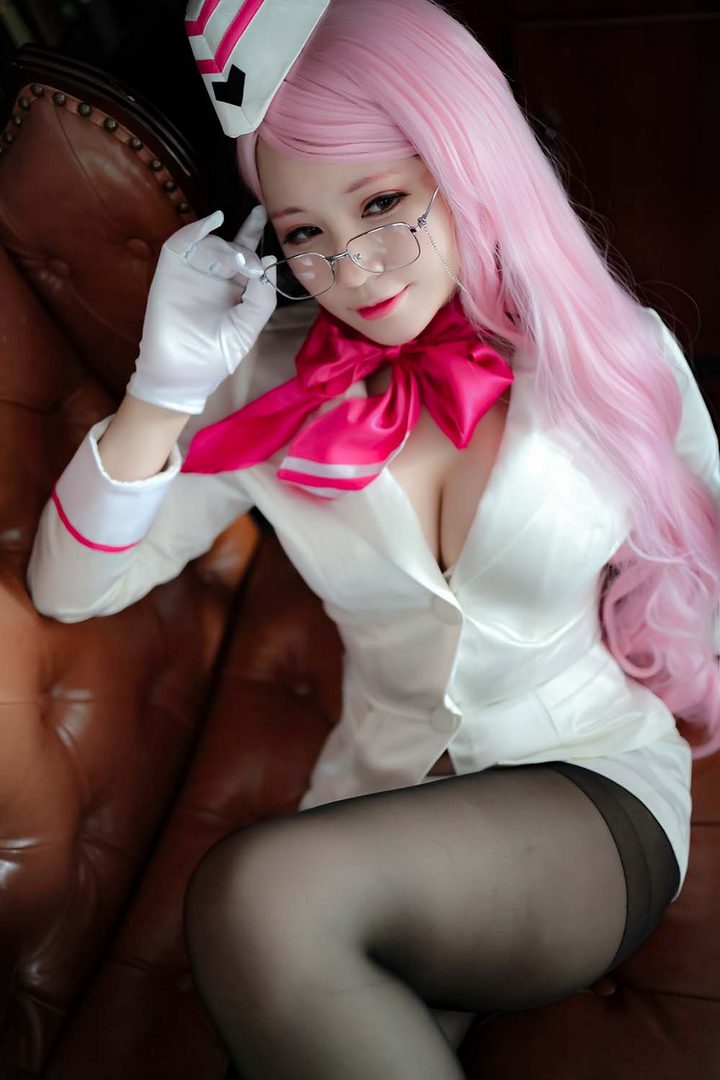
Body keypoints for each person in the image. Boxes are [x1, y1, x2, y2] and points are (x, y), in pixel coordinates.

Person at [26, 0, 720, 1076]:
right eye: (305, 233)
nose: (353, 269)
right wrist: (162, 391)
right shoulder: (259, 381)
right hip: (368, 816)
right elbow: (70, 590)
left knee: (256, 899)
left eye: (384, 202)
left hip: (589, 791)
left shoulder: (614, 352)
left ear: (469, 165)